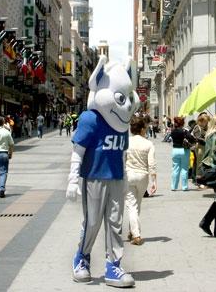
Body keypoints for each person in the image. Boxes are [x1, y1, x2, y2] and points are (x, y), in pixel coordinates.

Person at [66, 56, 137, 287]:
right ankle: (82, 258)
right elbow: (78, 150)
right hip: (94, 177)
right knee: (93, 221)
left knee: (116, 223)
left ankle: (113, 266)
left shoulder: (122, 125)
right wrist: (72, 180)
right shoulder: (90, 119)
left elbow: (123, 153)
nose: (127, 105)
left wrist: (125, 178)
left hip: (116, 177)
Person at [124, 116, 157, 246]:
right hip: (143, 176)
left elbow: (122, 159)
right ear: (143, 129)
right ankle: (134, 232)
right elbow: (152, 164)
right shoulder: (149, 144)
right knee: (137, 205)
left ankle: (135, 233)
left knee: (131, 205)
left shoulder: (127, 142)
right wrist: (154, 181)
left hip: (129, 174)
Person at [169, 116, 196, 191]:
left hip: (175, 150)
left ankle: (174, 187)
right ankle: (184, 187)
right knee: (184, 169)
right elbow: (191, 138)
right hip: (184, 150)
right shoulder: (184, 131)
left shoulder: (173, 131)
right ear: (182, 123)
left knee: (175, 169)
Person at [191, 112, 210, 186]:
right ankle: (199, 181)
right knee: (200, 164)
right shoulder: (197, 127)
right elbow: (197, 137)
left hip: (206, 147)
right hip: (200, 148)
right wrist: (206, 138)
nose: (207, 123)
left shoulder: (206, 127)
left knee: (205, 164)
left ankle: (205, 180)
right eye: (206, 121)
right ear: (201, 121)